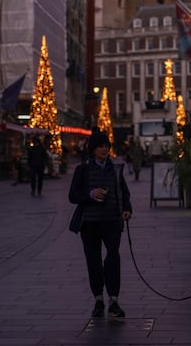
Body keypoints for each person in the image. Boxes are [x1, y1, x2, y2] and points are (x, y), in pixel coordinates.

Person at [68, 130, 132, 318]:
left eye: (107, 146)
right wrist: (89, 194)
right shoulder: (83, 169)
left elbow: (124, 193)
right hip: (90, 223)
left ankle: (113, 299)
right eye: (101, 146)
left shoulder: (116, 169)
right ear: (93, 149)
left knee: (113, 259)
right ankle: (98, 299)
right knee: (93, 261)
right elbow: (72, 196)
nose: (104, 149)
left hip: (112, 221)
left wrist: (127, 209)